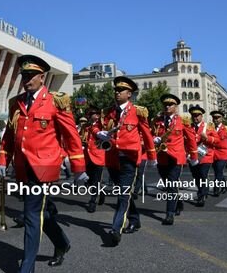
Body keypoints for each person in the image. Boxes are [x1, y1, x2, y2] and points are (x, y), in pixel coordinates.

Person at [0, 55, 87, 273]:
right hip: (24, 169)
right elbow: (10, 134)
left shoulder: (56, 102)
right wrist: (3, 159)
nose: (26, 80)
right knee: (42, 214)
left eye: (30, 76)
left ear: (42, 77)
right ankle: (61, 243)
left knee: (31, 215)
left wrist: (79, 168)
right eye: (23, 76)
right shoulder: (16, 102)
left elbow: (71, 136)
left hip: (45, 169)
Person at [97, 77, 156, 243]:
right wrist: (98, 133)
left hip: (129, 159)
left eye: (120, 90)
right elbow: (96, 126)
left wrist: (151, 155)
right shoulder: (109, 112)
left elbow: (147, 134)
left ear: (129, 94)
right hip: (112, 159)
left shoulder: (137, 111)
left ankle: (116, 229)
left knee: (123, 195)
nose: (116, 93)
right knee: (123, 193)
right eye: (115, 90)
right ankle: (135, 219)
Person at [152, 94, 198, 225]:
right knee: (167, 184)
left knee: (172, 184)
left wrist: (194, 156)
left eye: (170, 104)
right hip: (162, 157)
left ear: (175, 107)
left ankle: (169, 214)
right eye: (165, 104)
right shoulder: (157, 121)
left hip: (176, 157)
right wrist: (153, 138)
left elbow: (191, 140)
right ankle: (178, 201)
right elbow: (150, 134)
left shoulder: (183, 121)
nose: (167, 106)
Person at [189, 105, 218, 207]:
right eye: (193, 115)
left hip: (205, 156)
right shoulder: (188, 127)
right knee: (196, 176)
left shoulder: (208, 126)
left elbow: (217, 140)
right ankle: (201, 190)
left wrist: (207, 138)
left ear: (202, 116)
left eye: (197, 115)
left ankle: (202, 195)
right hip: (193, 156)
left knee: (202, 174)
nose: (195, 117)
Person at [83, 107, 106, 212]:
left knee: (96, 181)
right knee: (88, 180)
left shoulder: (101, 125)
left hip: (98, 156)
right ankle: (101, 192)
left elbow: (102, 132)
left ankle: (92, 202)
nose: (95, 115)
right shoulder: (86, 126)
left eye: (96, 113)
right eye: (92, 113)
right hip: (87, 157)